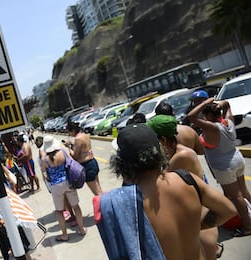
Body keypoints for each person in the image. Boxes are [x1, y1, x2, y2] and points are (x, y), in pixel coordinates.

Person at [95, 123, 236, 259]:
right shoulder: (186, 179)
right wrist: (194, 226)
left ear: (121, 162)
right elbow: (228, 210)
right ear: (159, 151)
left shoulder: (129, 202)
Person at [147, 114, 223, 259]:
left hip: (199, 220)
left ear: (162, 139)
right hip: (192, 217)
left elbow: (162, 182)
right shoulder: (176, 153)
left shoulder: (182, 156)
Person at [188, 97, 251, 237]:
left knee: (236, 196)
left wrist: (205, 102)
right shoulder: (228, 122)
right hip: (237, 158)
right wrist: (216, 104)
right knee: (244, 192)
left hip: (225, 167)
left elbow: (190, 116)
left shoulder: (212, 127)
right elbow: (227, 104)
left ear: (210, 115)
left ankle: (248, 226)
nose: (204, 117)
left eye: (205, 115)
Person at [41, 136, 87, 241]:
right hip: (68, 182)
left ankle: (65, 235)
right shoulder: (62, 151)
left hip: (55, 186)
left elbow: (45, 174)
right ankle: (81, 229)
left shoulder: (44, 159)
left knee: (59, 211)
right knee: (76, 206)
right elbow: (71, 162)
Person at [66, 121, 102, 195]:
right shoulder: (85, 135)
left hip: (86, 165)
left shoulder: (77, 139)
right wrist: (73, 145)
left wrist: (69, 148)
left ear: (73, 130)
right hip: (92, 162)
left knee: (96, 192)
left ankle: (104, 205)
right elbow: (83, 148)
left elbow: (75, 156)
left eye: (69, 132)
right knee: (99, 188)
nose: (69, 134)